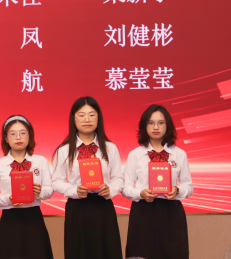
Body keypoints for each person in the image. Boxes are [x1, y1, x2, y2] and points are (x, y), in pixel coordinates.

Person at [51, 96, 123, 259]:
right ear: (74, 119)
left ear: (98, 118)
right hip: (77, 208)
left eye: (91, 115)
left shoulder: (110, 148)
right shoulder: (64, 150)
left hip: (103, 206)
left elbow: (118, 178)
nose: (87, 119)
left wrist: (110, 189)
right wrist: (74, 191)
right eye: (81, 115)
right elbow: (56, 181)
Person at [123, 104, 192, 259]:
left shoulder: (179, 154)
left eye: (161, 123)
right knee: (141, 253)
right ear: (144, 126)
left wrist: (177, 191)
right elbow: (125, 188)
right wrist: (140, 193)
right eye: (151, 123)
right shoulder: (135, 154)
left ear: (168, 126)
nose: (156, 127)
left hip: (171, 212)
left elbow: (188, 187)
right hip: (143, 212)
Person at [0, 115, 53, 259]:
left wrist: (39, 192)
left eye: (23, 133)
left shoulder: (40, 161)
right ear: (6, 138)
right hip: (10, 220)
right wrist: (8, 199)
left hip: (34, 218)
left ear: (29, 136)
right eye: (13, 133)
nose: (18, 137)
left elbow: (49, 190)